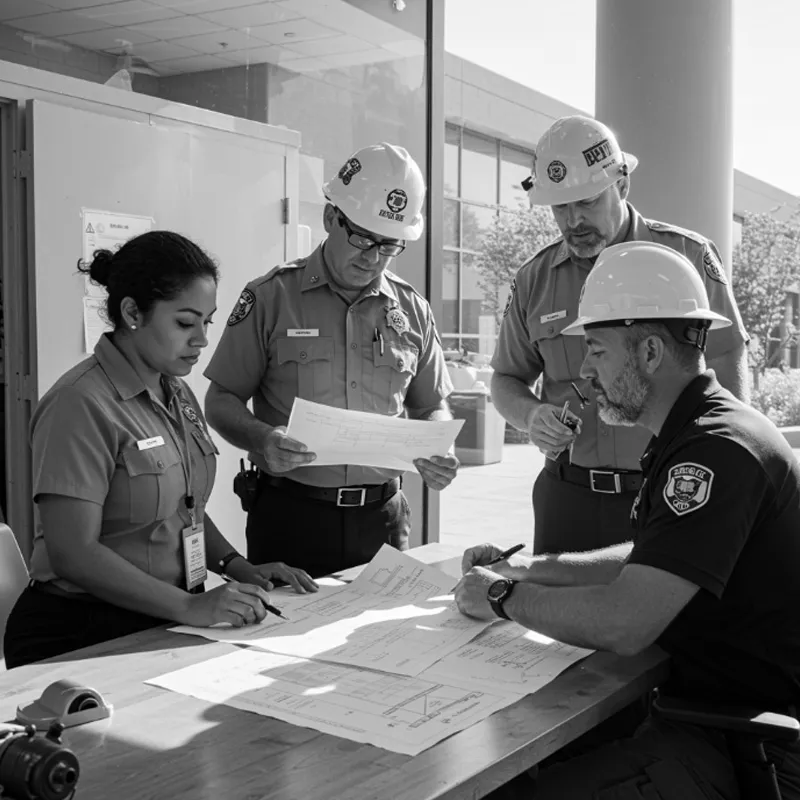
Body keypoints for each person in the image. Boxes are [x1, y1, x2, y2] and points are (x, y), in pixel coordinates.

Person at [456, 241, 800, 799]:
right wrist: (529, 571)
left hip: (743, 748)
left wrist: (499, 599)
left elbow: (624, 623)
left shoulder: (714, 453)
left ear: (649, 353)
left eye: (595, 349)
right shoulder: (702, 430)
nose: (585, 371)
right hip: (708, 719)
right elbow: (656, 558)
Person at [4, 231, 317, 669]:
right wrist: (192, 608)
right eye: (185, 323)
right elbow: (72, 553)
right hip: (80, 632)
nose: (202, 340)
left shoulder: (178, 394)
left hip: (161, 617)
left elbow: (182, 507)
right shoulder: (80, 403)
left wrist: (236, 565)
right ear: (132, 312)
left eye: (207, 322)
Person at [491, 115, 750, 554]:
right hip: (567, 497)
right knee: (552, 619)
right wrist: (532, 416)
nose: (573, 221)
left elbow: (726, 361)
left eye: (587, 202)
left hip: (666, 494)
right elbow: (505, 380)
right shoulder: (534, 279)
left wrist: (726, 466)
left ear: (622, 184)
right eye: (560, 207)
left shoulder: (685, 256)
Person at [204, 142, 459, 579]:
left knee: (381, 641)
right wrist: (263, 439)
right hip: (291, 517)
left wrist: (439, 443)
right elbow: (220, 400)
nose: (373, 257)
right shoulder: (271, 297)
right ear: (329, 218)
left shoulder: (412, 308)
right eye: (362, 238)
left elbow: (430, 403)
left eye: (389, 246)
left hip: (384, 519)